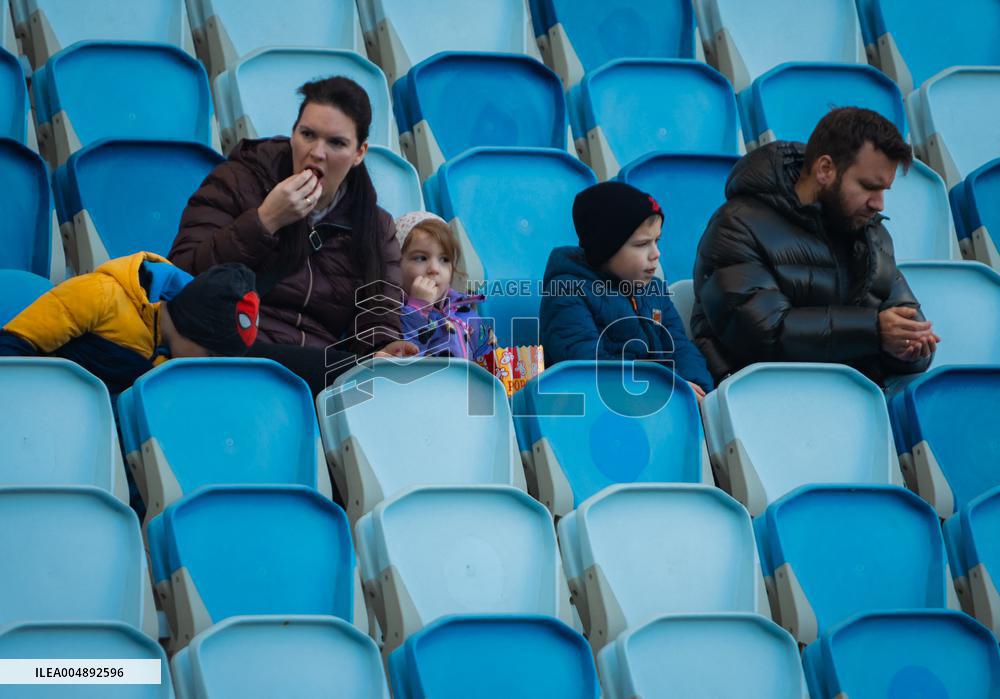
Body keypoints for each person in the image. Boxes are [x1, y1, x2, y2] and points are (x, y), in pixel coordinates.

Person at [169, 75, 416, 393]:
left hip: (316, 370)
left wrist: (385, 350)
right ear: (293, 134)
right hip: (234, 346)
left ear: (359, 153)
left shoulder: (376, 227)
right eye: (307, 134)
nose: (317, 153)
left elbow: (376, 320)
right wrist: (264, 221)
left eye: (336, 143)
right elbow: (182, 274)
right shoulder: (239, 179)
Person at [691, 107, 940, 385]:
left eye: (884, 190)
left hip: (852, 401)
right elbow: (764, 334)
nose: (879, 204)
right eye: (869, 186)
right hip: (760, 399)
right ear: (825, 169)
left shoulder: (872, 235)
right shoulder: (737, 226)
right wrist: (874, 331)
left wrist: (911, 346)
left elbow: (906, 321)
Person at [539, 181, 715, 399]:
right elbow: (590, 367)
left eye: (656, 241)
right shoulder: (568, 294)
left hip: (662, 407)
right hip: (602, 415)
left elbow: (680, 348)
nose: (656, 254)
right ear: (605, 248)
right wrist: (673, 388)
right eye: (642, 244)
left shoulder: (654, 291)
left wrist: (699, 391)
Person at [0, 252, 258, 393]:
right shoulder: (101, 294)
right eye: (211, 355)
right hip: (43, 407)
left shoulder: (177, 359)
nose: (209, 367)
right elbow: (14, 346)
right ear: (192, 328)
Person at [395, 211, 494, 360]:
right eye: (421, 258)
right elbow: (402, 365)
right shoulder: (392, 312)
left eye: (444, 259)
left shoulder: (463, 310)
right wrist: (417, 310)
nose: (434, 269)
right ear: (395, 266)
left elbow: (487, 359)